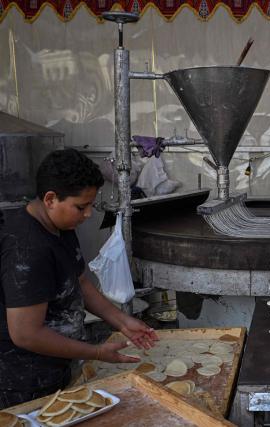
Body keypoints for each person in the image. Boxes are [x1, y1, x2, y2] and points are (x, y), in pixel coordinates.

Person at [0, 148, 158, 409]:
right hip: (23, 382)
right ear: (50, 199)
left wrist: (121, 321)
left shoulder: (60, 226)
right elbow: (26, 334)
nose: (87, 215)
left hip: (56, 367)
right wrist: (97, 352)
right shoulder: (28, 250)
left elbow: (80, 282)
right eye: (81, 207)